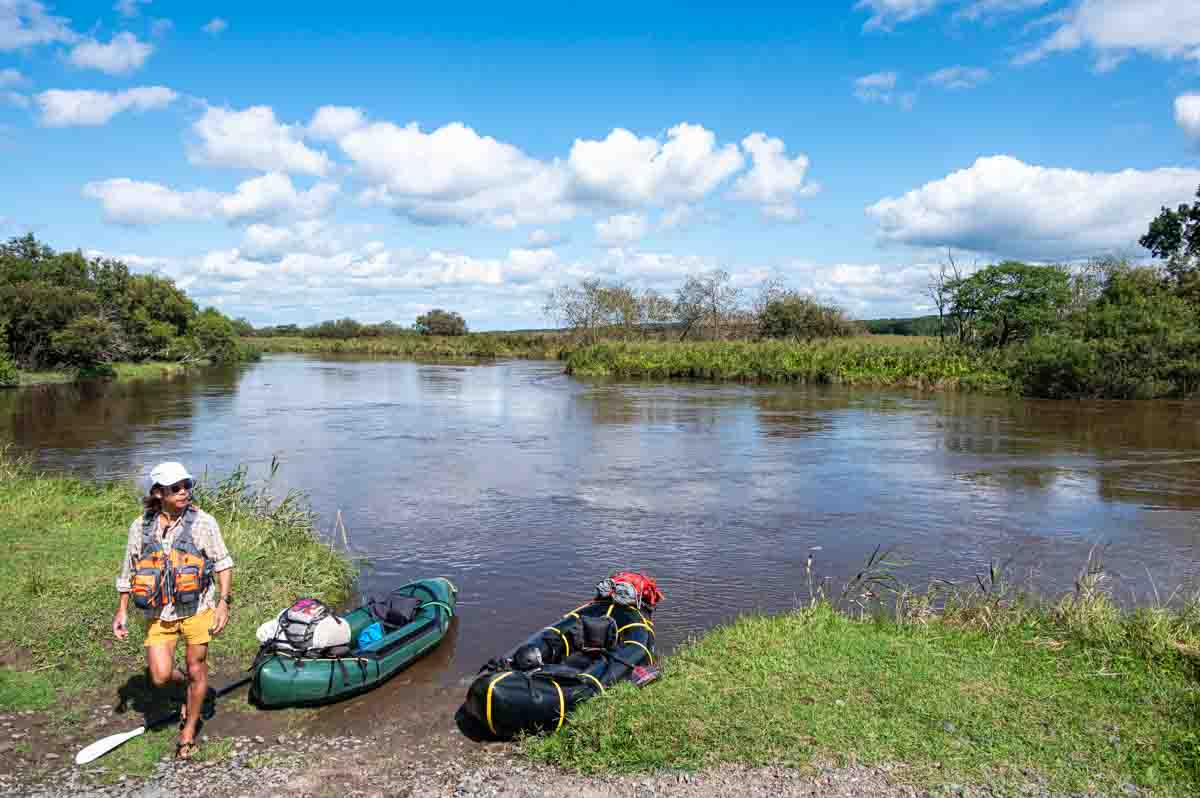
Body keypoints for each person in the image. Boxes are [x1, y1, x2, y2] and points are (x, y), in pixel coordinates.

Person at [112, 462, 234, 761]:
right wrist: (122, 611)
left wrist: (223, 603)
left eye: (186, 486)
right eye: (175, 488)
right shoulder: (140, 527)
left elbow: (223, 563)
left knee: (196, 667)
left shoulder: (204, 522)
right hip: (159, 614)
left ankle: (188, 733)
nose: (184, 492)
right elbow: (129, 571)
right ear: (158, 493)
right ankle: (192, 687)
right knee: (160, 676)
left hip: (198, 608)